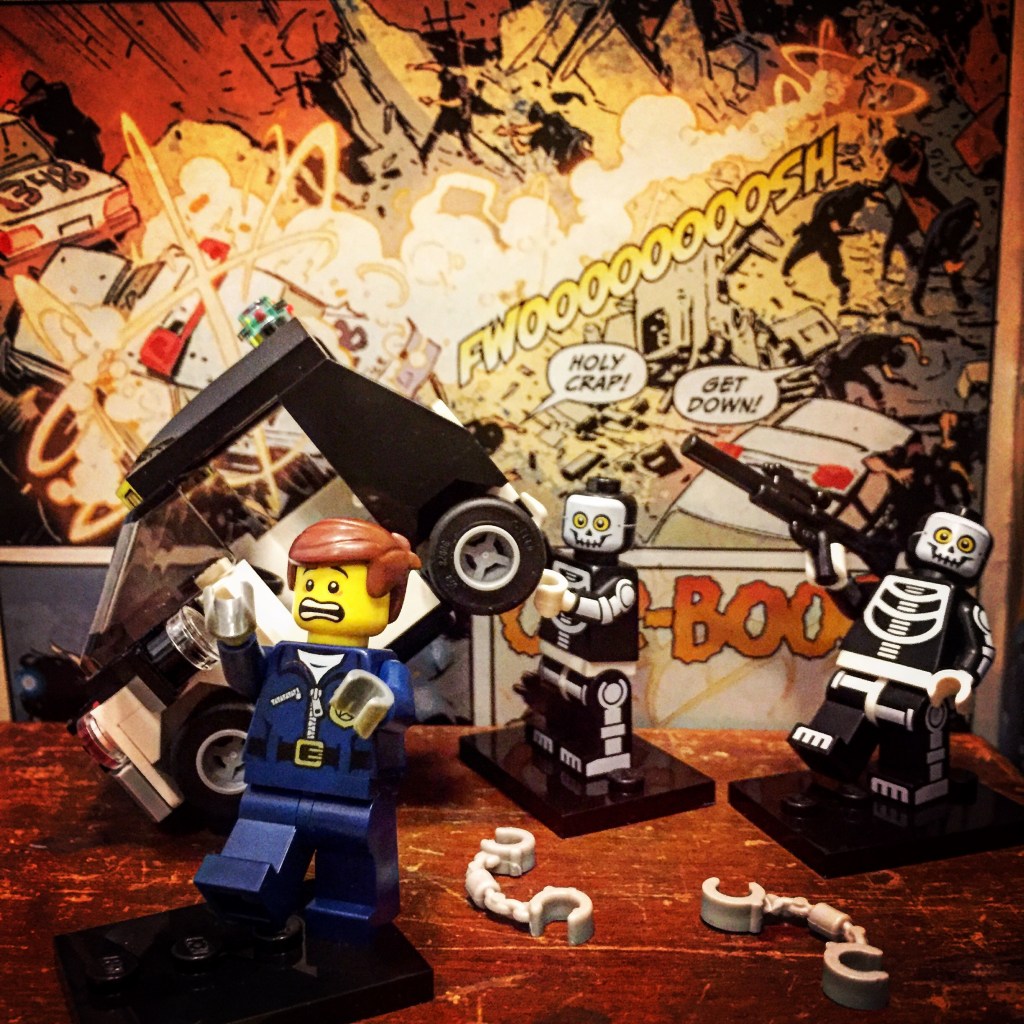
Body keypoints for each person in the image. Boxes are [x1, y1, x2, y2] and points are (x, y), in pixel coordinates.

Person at [195, 518, 420, 943]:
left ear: (386, 599)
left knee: (351, 893)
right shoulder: (282, 657)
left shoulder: (381, 669)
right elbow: (247, 679)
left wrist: (378, 703)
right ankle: (253, 922)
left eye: (334, 587)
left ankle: (346, 924)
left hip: (349, 798)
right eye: (311, 585)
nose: (318, 598)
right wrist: (235, 640)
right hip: (273, 791)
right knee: (247, 882)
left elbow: (401, 710)